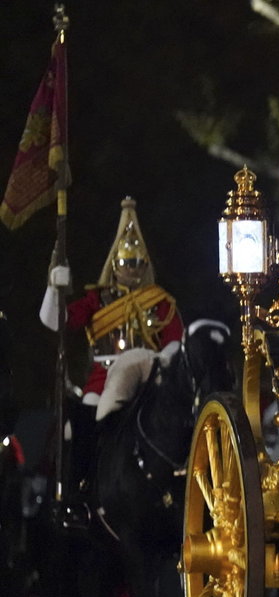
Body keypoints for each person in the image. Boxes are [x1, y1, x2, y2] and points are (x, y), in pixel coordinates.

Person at [40, 198, 182, 498]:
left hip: (147, 378)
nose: (130, 270)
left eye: (136, 264)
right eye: (125, 264)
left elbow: (175, 343)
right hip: (102, 379)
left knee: (178, 421)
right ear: (114, 265)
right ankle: (79, 490)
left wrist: (161, 363)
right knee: (81, 426)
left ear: (144, 265)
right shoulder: (97, 299)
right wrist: (55, 288)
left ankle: (181, 482)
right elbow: (57, 322)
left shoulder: (159, 301)